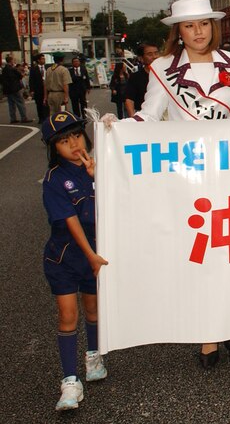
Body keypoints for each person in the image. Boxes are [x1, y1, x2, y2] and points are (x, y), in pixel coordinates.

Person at [102, 0, 230, 367]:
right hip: (189, 176)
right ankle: (207, 336)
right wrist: (116, 128)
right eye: (189, 26)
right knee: (200, 254)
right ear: (178, 31)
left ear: (213, 26)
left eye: (203, 24)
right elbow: (150, 116)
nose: (198, 32)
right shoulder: (163, 68)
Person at [40, 111, 108, 410]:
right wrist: (91, 255)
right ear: (54, 148)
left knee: (93, 310)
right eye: (65, 141)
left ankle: (93, 355)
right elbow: (70, 221)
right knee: (68, 315)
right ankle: (70, 380)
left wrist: (96, 177)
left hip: (95, 256)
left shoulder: (100, 166)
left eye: (77, 136)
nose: (74, 144)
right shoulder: (55, 179)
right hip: (66, 258)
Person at [125, 42, 160, 117]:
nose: (154, 57)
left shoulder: (167, 75)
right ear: (141, 58)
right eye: (150, 54)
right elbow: (129, 100)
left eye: (156, 53)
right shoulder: (135, 77)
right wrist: (133, 118)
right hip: (144, 116)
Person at [2, 55, 30, 123]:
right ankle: (24, 118)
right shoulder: (13, 69)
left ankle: (13, 118)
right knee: (20, 103)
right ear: (11, 61)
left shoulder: (4, 69)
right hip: (15, 88)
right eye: (13, 60)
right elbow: (20, 76)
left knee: (11, 104)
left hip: (8, 89)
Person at [30, 54, 49, 122]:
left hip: (47, 88)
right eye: (42, 59)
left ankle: (47, 117)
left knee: (47, 103)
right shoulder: (34, 69)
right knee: (39, 103)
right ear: (38, 60)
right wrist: (31, 90)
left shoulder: (47, 68)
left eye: (44, 59)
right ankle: (41, 117)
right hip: (38, 89)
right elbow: (31, 80)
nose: (44, 60)